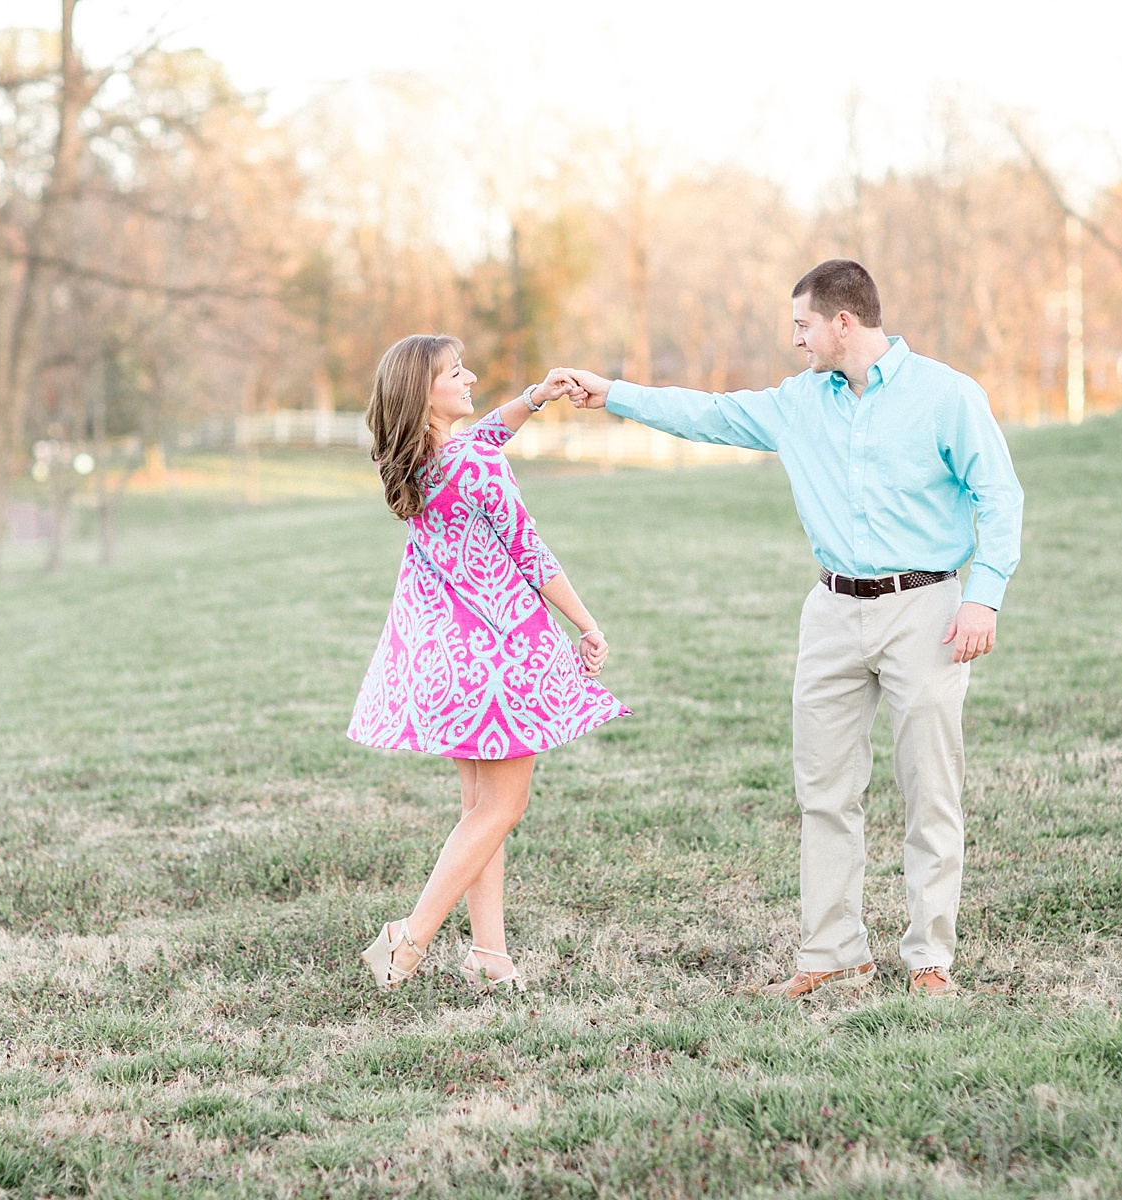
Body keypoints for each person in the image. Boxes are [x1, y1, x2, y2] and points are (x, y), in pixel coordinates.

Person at [549, 259, 1023, 998]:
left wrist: (983, 596)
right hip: (831, 610)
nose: (794, 340)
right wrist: (611, 394)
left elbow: (998, 496)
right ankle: (833, 957)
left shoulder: (948, 396)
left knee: (930, 789)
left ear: (843, 322)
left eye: (802, 325)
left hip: (926, 607)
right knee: (824, 791)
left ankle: (930, 959)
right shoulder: (796, 404)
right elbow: (705, 413)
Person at [349, 334, 629, 993]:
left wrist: (535, 398)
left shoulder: (420, 460)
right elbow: (530, 553)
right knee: (501, 809)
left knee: (480, 809)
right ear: (426, 393)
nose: (470, 376)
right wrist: (586, 624)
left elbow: (487, 436)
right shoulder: (473, 467)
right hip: (498, 660)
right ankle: (408, 937)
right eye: (456, 372)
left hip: (446, 662)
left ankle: (490, 956)